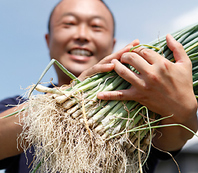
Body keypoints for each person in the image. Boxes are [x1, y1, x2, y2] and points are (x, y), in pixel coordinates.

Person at [0, 0, 197, 172]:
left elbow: (176, 135)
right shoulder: (14, 107)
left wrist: (184, 108)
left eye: (96, 27)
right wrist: (67, 100)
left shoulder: (139, 109)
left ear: (112, 44)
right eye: (69, 24)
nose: (82, 35)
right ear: (48, 40)